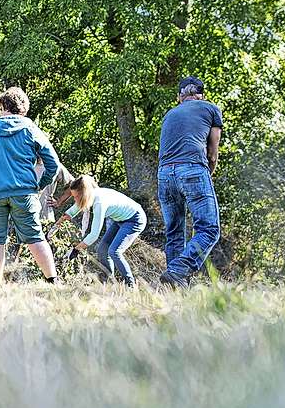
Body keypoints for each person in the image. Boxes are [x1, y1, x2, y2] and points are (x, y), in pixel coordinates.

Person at [0, 87, 61, 285]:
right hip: (23, 192)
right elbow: (53, 164)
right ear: (24, 109)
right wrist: (40, 185)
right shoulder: (31, 129)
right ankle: (53, 282)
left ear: (3, 106)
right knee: (35, 236)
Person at [157, 76, 223, 287]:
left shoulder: (170, 114)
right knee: (209, 228)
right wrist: (206, 175)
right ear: (201, 95)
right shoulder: (210, 108)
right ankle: (178, 270)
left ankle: (175, 288)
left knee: (174, 232)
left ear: (179, 97)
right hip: (192, 168)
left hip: (164, 174)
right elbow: (212, 154)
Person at [47, 175, 147, 287]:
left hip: (134, 219)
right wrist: (55, 227)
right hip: (120, 220)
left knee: (114, 251)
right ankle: (109, 281)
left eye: (76, 197)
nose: (74, 199)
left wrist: (76, 250)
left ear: (83, 194)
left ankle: (130, 285)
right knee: (103, 249)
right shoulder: (90, 194)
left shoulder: (99, 203)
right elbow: (73, 210)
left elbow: (94, 234)